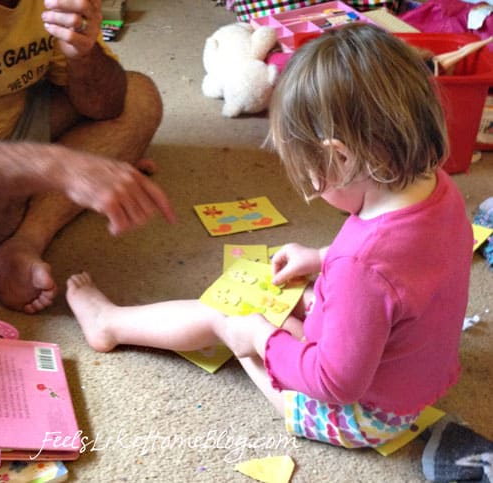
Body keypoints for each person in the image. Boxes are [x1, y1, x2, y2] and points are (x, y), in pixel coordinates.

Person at [66, 24, 474, 450]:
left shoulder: (360, 265)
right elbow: (406, 265)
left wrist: (259, 337)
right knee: (296, 299)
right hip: (418, 380)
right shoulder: (438, 189)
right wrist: (320, 257)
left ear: (340, 156)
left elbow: (335, 382)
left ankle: (108, 324)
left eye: (311, 174)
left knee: (224, 316)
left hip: (360, 416)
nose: (312, 187)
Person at [0, 0, 172, 313]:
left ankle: (24, 241)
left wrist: (83, 54)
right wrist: (58, 166)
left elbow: (105, 106)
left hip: (19, 115)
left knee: (139, 98)